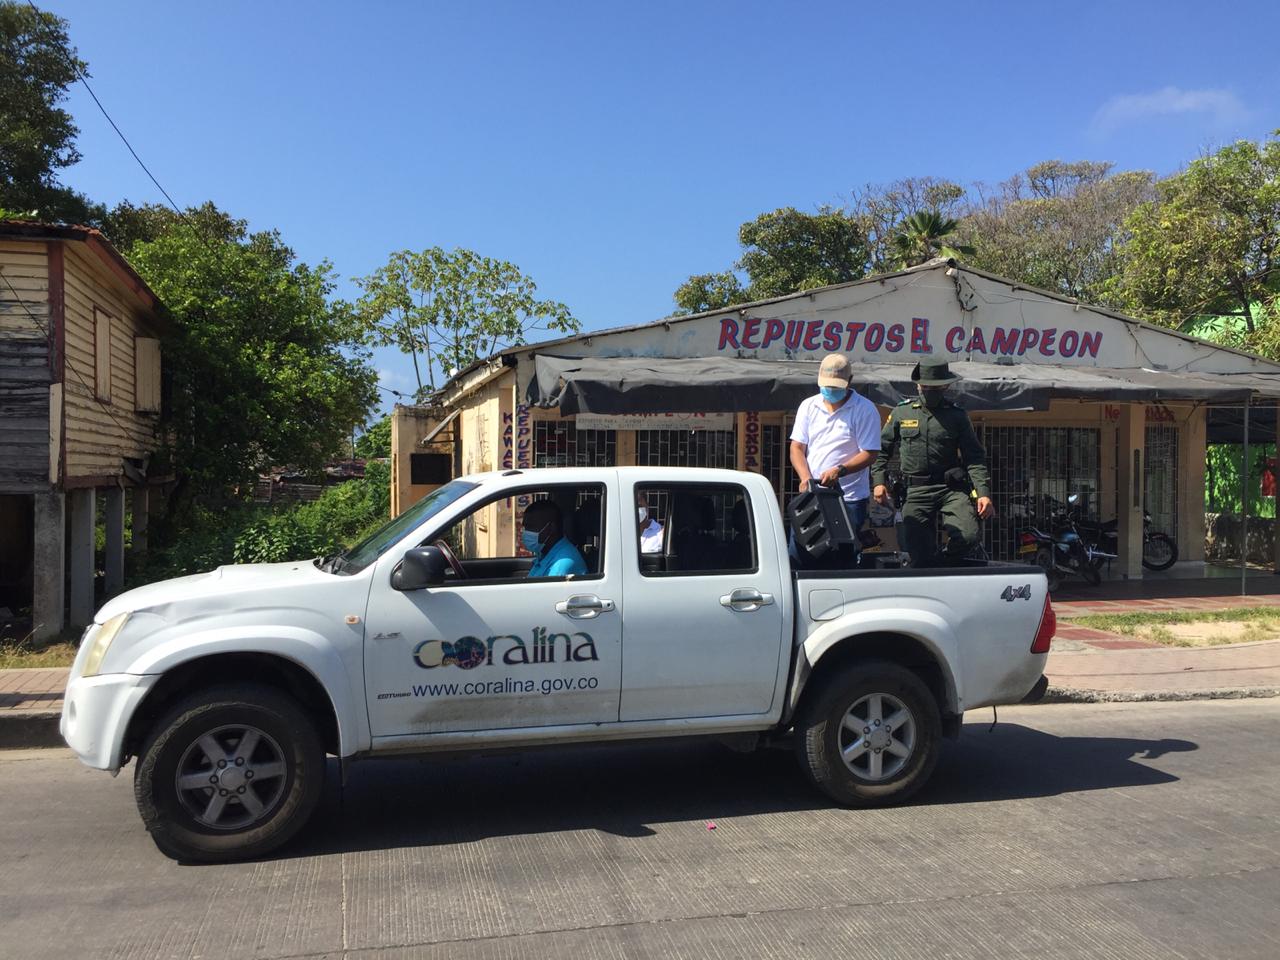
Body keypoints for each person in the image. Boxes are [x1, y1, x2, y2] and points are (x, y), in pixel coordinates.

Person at [871, 361, 994, 567]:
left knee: (968, 535)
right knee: (917, 551)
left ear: (946, 386)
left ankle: (941, 561)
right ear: (918, 386)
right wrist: (878, 482)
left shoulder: (957, 416)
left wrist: (983, 493)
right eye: (926, 386)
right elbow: (881, 450)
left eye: (936, 387)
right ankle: (929, 566)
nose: (930, 391)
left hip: (950, 488)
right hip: (916, 490)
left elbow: (974, 457)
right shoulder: (902, 412)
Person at [789, 353, 882, 566]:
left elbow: (870, 453)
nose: (830, 390)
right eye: (826, 386)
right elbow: (796, 447)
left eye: (835, 386)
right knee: (799, 556)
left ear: (849, 382)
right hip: (811, 494)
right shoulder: (808, 406)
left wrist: (840, 470)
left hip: (848, 498)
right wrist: (804, 477)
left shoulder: (865, 409)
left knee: (839, 561)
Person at [522, 500, 588, 578]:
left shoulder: (561, 564)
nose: (526, 532)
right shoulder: (544, 553)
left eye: (531, 527)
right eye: (525, 527)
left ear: (551, 528)